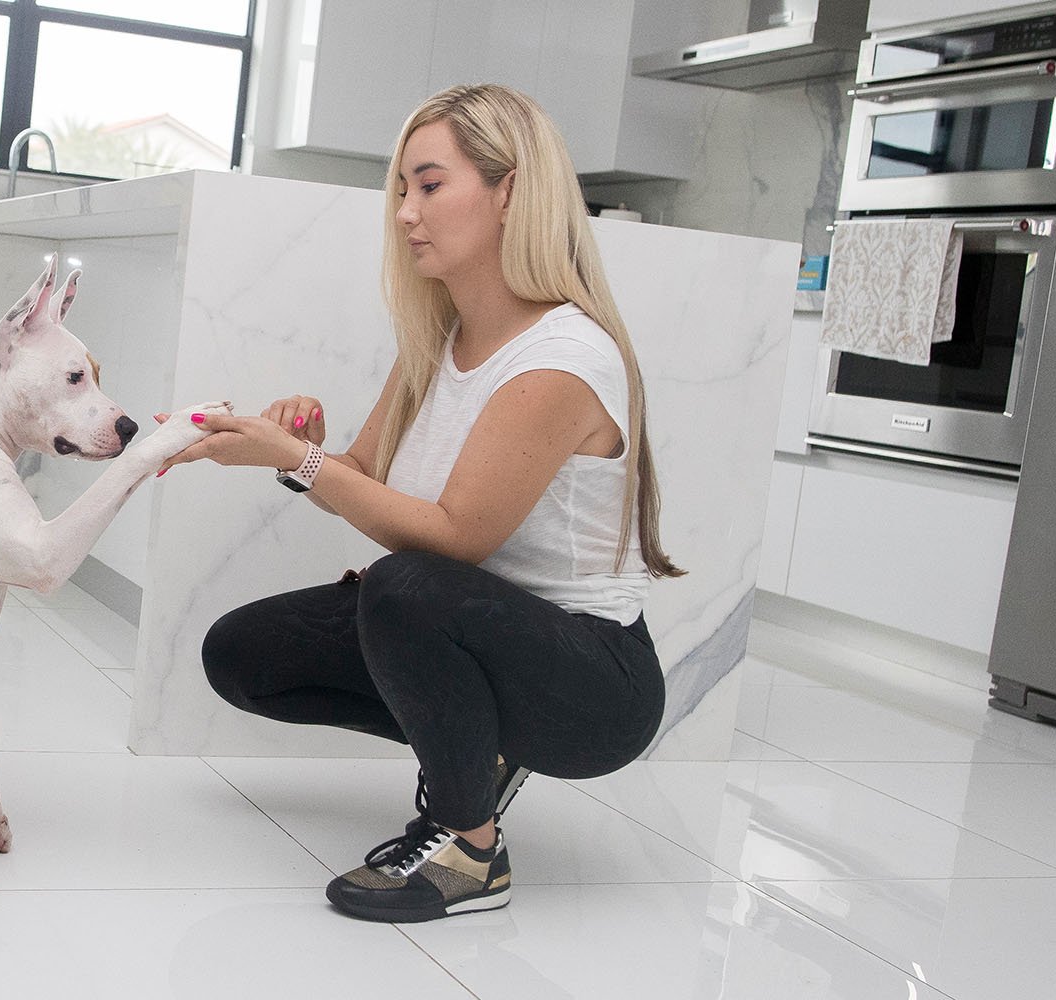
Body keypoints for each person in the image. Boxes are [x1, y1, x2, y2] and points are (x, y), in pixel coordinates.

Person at [155, 84, 681, 924]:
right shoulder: (439, 342)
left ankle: (470, 848)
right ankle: (481, 750)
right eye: (402, 188)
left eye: (430, 185)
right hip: (472, 629)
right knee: (242, 655)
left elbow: (457, 538)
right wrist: (301, 450)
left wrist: (304, 459)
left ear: (510, 191)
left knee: (405, 585)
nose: (406, 212)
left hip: (593, 681)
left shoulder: (562, 358)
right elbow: (361, 475)